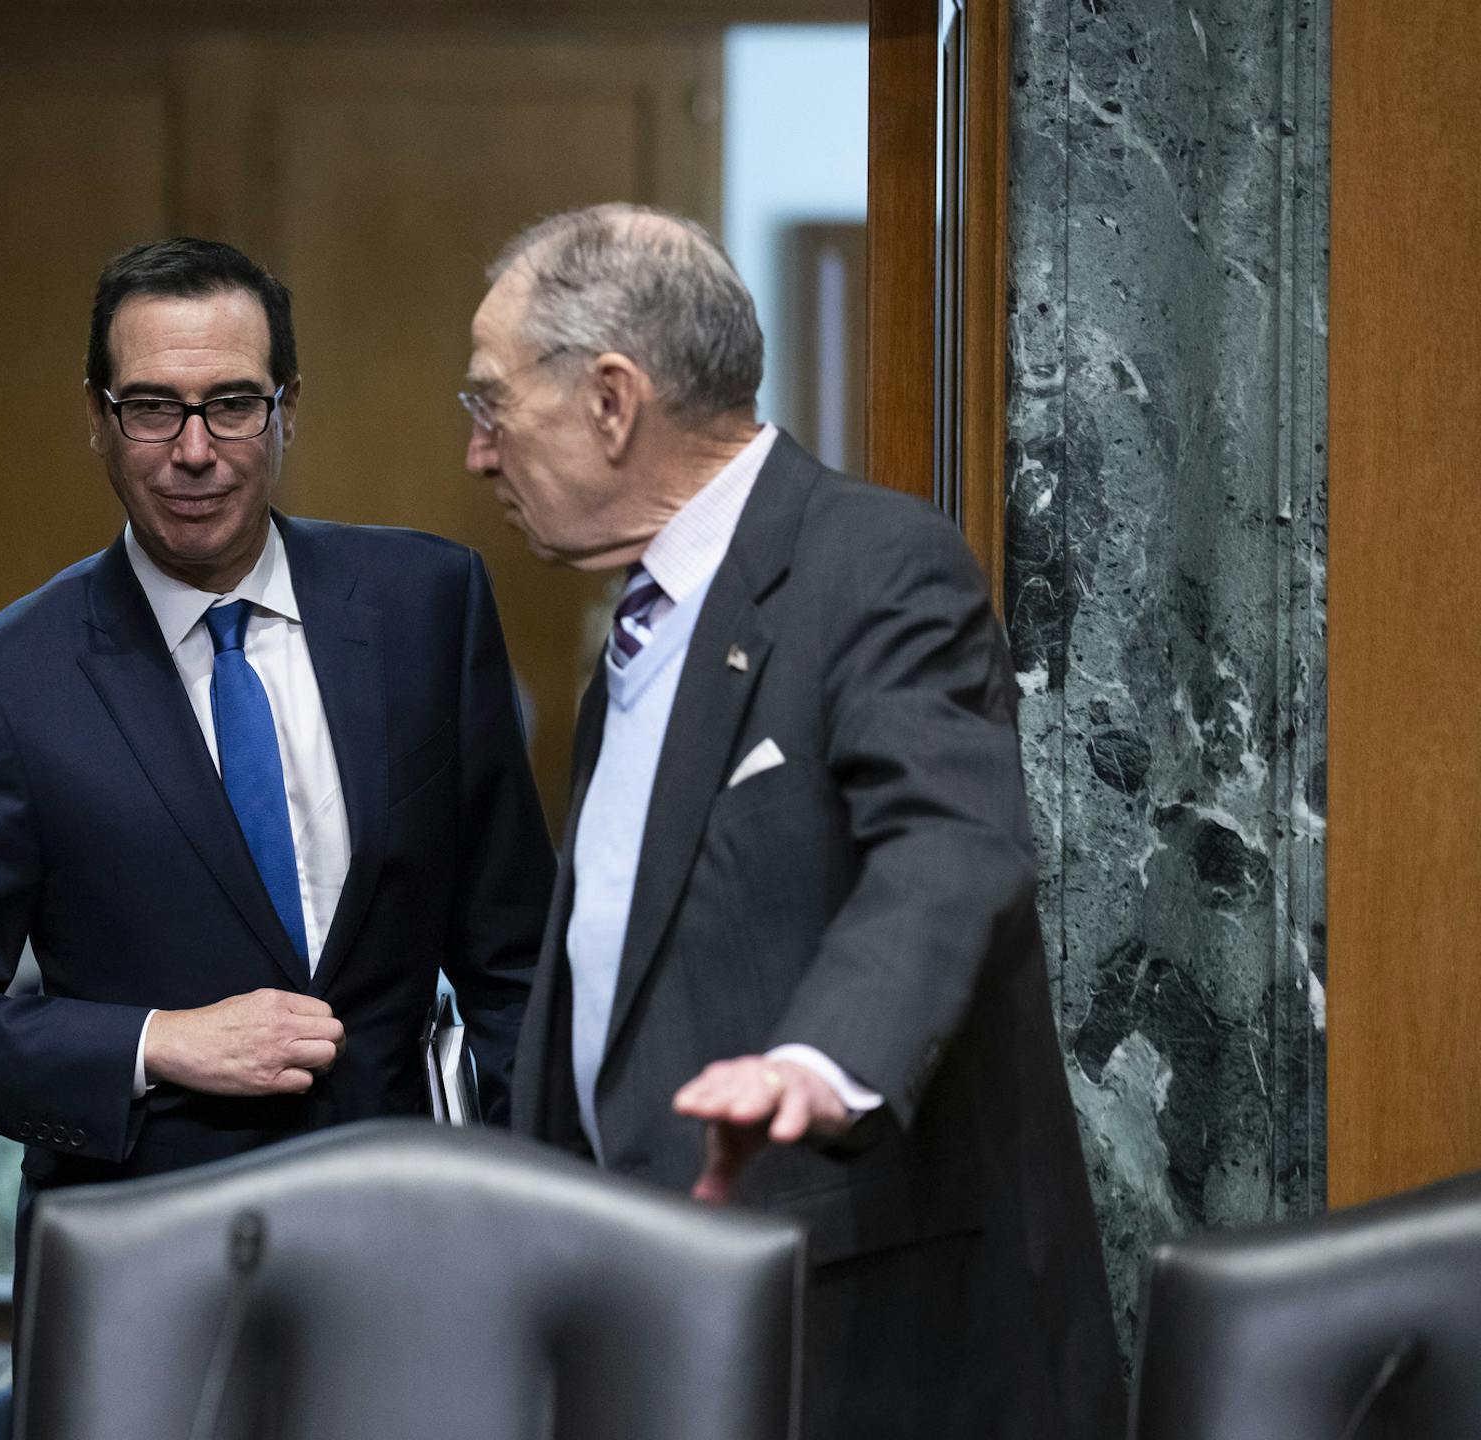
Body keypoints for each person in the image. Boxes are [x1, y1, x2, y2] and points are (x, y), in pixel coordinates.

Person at [468, 204, 1123, 1440]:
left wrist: (821, 1059)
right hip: (652, 1318)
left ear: (612, 401)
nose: (479, 455)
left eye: (493, 406)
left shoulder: (874, 566)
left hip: (858, 1335)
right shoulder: (643, 623)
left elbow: (948, 844)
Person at [0, 238, 553, 1274]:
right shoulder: (13, 679)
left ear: (287, 411)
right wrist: (154, 1042)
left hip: (419, 1245)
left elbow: (517, 966)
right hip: (144, 1265)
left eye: (233, 403)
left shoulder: (426, 606)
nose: (195, 449)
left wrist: (528, 1200)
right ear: (96, 420)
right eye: (152, 408)